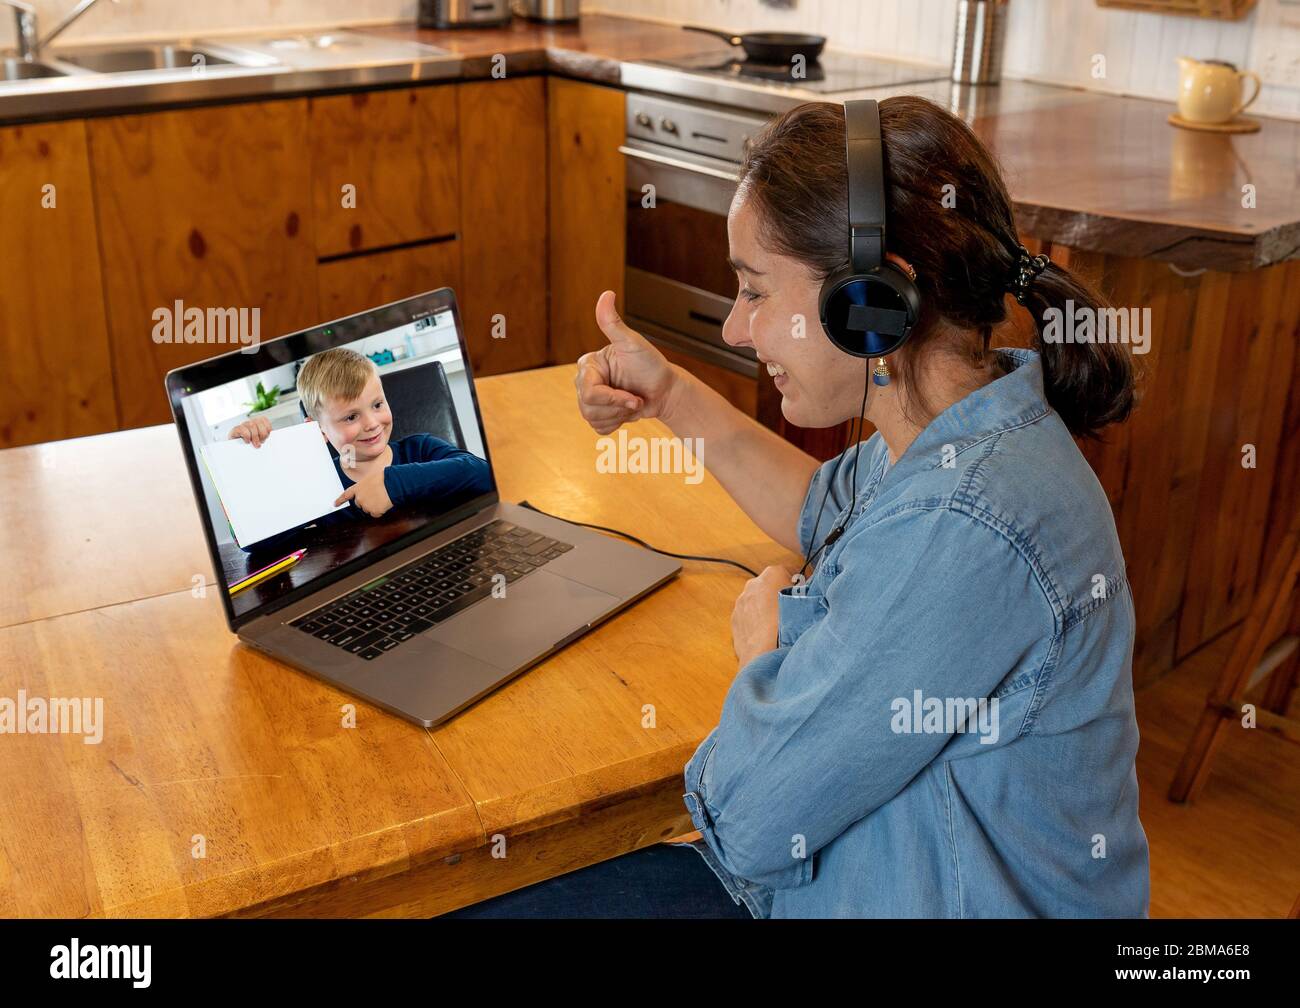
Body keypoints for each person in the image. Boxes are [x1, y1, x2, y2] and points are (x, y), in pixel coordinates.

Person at [448, 95, 1149, 919]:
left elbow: (750, 820)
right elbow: (821, 506)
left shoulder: (965, 525)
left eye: (754, 291)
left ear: (871, 300)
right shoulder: (965, 425)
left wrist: (760, 650)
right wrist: (670, 395)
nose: (738, 330)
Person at [228, 347, 492, 554]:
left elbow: (484, 474)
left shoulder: (421, 448)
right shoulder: (319, 484)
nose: (372, 423)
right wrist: (242, 462)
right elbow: (254, 542)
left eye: (377, 405)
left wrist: (394, 482)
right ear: (318, 430)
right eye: (351, 417)